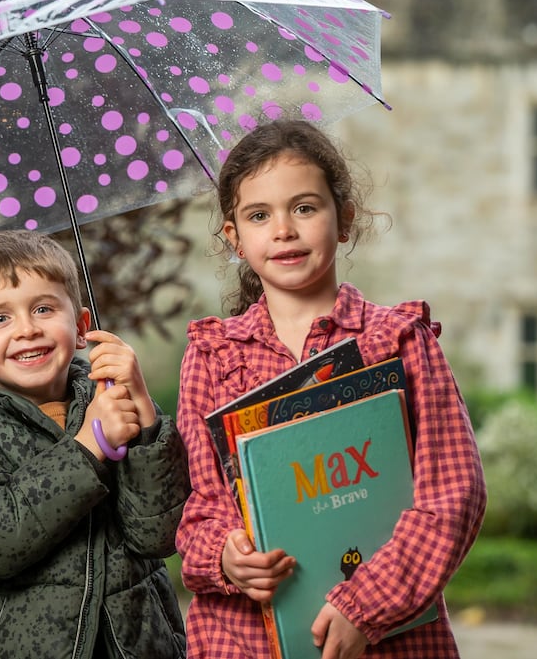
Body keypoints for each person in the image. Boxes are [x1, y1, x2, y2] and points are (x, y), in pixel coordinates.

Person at [175, 120, 486, 659]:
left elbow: (452, 497)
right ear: (234, 238)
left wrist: (366, 606)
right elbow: (200, 507)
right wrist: (226, 556)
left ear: (343, 219)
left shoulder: (400, 342)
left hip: (390, 639)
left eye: (304, 208)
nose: (283, 231)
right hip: (242, 641)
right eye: (258, 215)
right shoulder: (211, 357)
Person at [0, 230, 190, 659]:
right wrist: (88, 444)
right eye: (0, 319)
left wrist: (143, 412)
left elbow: (159, 536)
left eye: (43, 308)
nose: (27, 329)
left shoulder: (109, 400)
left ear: (81, 325)